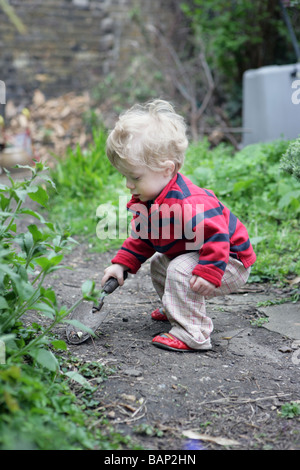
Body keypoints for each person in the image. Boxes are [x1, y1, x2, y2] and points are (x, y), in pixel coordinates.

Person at [101, 99, 256, 352]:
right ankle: (177, 305)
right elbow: (143, 238)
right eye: (125, 177)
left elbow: (218, 236)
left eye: (135, 177)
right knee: (161, 263)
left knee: (180, 270)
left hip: (229, 260)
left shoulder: (188, 202)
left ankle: (193, 333)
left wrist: (209, 272)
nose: (128, 185)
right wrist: (121, 265)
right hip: (205, 253)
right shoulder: (149, 199)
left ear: (166, 169)